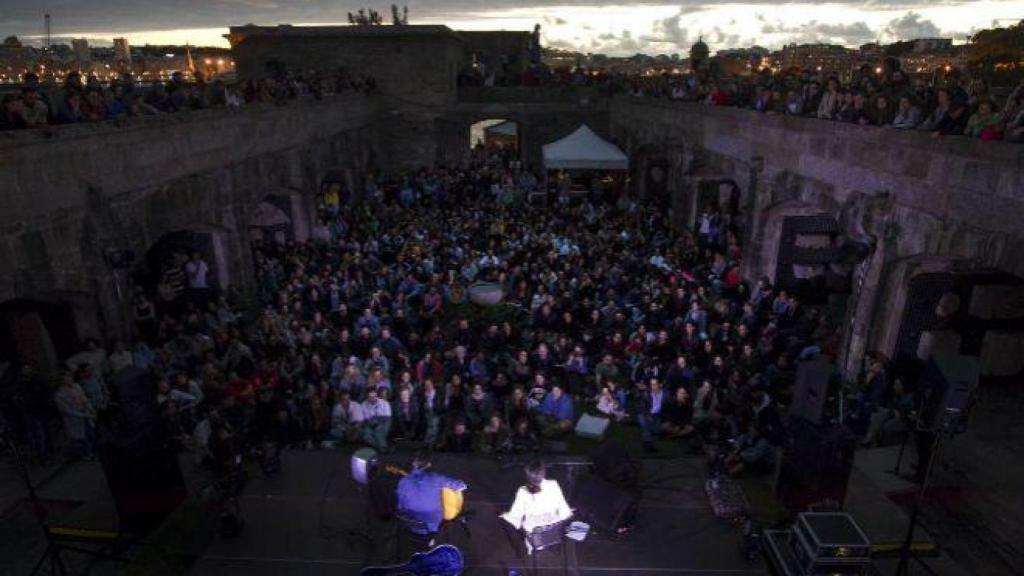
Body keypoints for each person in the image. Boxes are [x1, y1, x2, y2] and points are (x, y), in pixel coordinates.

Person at [501, 460, 573, 555]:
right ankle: (552, 546)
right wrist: (567, 513)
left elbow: (516, 515)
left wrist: (505, 516)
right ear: (543, 473)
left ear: (528, 474)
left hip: (535, 536)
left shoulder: (522, 491)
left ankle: (536, 549)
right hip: (553, 530)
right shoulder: (553, 484)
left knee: (511, 521)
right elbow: (564, 510)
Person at [396, 451, 467, 535]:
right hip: (433, 526)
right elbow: (460, 485)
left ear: (412, 463)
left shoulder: (403, 481)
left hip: (410, 523)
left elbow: (400, 506)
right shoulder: (437, 478)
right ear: (429, 464)